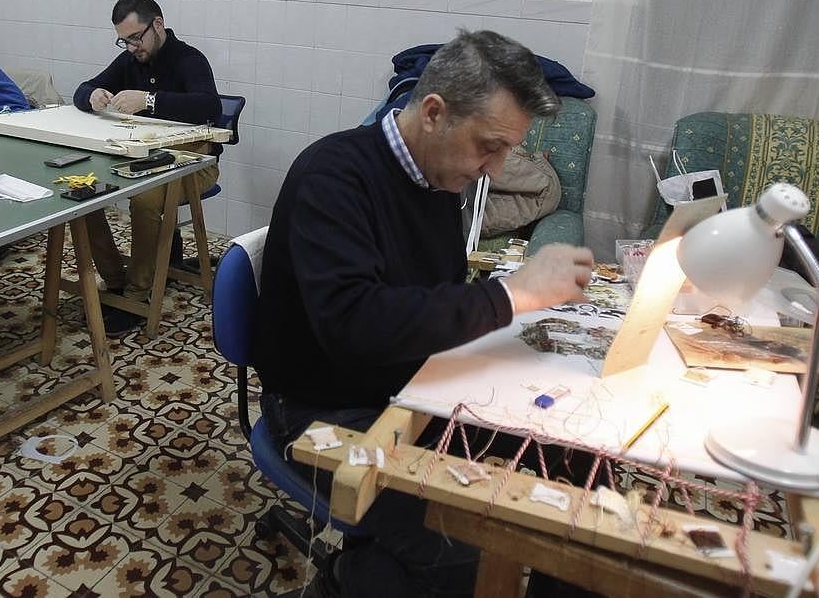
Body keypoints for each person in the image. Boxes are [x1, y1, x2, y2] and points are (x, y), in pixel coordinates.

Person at [254, 30, 595, 597]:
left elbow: (427, 299)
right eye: (490, 146)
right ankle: (343, 582)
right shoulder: (334, 175)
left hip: (409, 385)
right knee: (464, 543)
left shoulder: (439, 177)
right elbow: (356, 325)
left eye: (507, 149)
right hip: (319, 407)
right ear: (433, 112)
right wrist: (511, 295)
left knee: (574, 464)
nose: (494, 168)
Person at [72, 0, 223, 335]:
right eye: (123, 41)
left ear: (158, 24)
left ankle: (138, 296)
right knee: (82, 192)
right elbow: (85, 87)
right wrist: (92, 95)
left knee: (145, 199)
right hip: (143, 158)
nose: (131, 48)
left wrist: (150, 100)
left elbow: (209, 107)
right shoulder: (130, 61)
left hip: (195, 162)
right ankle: (114, 279)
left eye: (136, 38)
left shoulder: (189, 59)